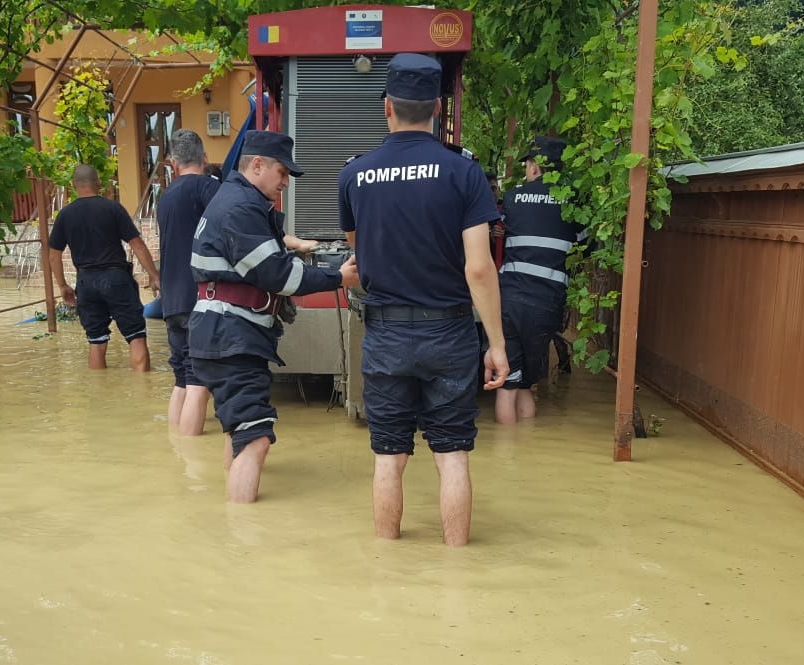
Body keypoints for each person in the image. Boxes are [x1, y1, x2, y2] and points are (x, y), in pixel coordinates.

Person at [337, 53, 508, 546]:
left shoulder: (354, 176)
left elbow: (359, 255)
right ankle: (457, 570)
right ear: (437, 106)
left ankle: (386, 567)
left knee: (388, 456)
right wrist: (496, 343)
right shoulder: (463, 173)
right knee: (451, 454)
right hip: (450, 334)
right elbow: (478, 267)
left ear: (386, 106)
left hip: (386, 334)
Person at [188, 131, 358, 503]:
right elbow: (279, 276)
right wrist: (338, 277)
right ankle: (243, 537)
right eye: (282, 173)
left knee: (240, 430)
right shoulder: (240, 207)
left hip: (219, 333)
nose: (284, 183)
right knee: (257, 437)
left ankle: (227, 520)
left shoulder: (234, 199)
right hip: (230, 336)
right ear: (257, 165)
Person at [493, 136, 587, 424]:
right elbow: (586, 248)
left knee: (507, 384)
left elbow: (496, 235)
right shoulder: (573, 203)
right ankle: (521, 450)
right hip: (546, 304)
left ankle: (505, 454)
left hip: (508, 299)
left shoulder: (511, 199)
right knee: (527, 387)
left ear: (534, 167)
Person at [48, 165, 161, 371]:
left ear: (74, 185)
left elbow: (54, 255)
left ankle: (98, 395)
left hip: (86, 282)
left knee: (96, 341)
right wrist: (154, 275)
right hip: (116, 278)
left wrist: (63, 286)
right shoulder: (113, 208)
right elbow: (137, 244)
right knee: (136, 337)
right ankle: (142, 390)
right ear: (98, 184)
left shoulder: (65, 215)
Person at [159, 130, 221, 435]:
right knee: (200, 380)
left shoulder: (165, 196)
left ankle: (176, 446)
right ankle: (191, 455)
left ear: (173, 163)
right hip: (200, 297)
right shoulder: (208, 188)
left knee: (182, 376)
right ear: (205, 159)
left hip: (171, 299)